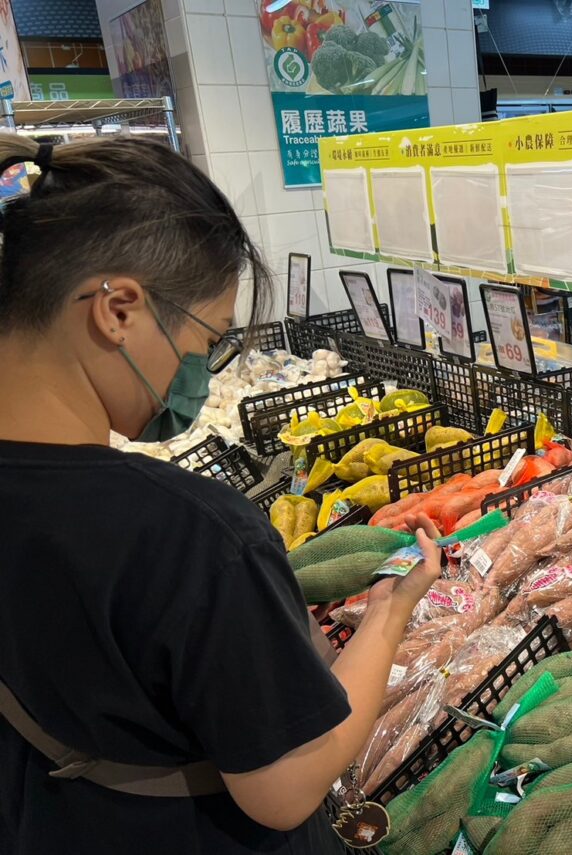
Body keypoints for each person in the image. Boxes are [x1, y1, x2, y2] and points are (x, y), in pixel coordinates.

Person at [0, 136, 441, 853]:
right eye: (209, 342)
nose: (202, 373)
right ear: (117, 310)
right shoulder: (188, 534)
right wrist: (388, 617)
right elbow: (285, 788)